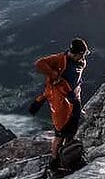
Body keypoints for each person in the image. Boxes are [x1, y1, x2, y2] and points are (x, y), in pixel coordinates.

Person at [28, 37, 89, 174]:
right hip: (61, 102)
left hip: (74, 100)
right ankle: (54, 163)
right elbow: (39, 63)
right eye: (82, 54)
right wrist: (54, 74)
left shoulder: (81, 62)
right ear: (76, 53)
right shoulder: (60, 59)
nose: (83, 57)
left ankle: (67, 158)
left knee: (71, 132)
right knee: (60, 133)